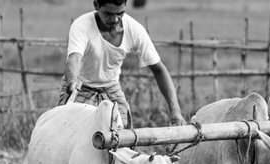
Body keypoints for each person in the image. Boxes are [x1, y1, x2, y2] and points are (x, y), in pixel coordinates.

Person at [58, 0, 185, 128]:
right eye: (108, 14)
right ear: (96, 5)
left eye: (120, 13)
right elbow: (74, 59)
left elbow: (159, 70)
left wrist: (175, 111)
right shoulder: (81, 25)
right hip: (80, 87)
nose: (115, 19)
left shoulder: (134, 30)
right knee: (71, 131)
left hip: (111, 88)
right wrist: (72, 81)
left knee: (123, 134)